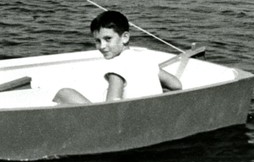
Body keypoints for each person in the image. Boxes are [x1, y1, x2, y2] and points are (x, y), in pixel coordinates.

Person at [53, 10, 182, 105]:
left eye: (108, 39)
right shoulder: (145, 58)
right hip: (146, 114)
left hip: (119, 122)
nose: (102, 46)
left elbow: (111, 108)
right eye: (98, 41)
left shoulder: (117, 66)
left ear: (125, 37)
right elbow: (176, 85)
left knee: (64, 93)